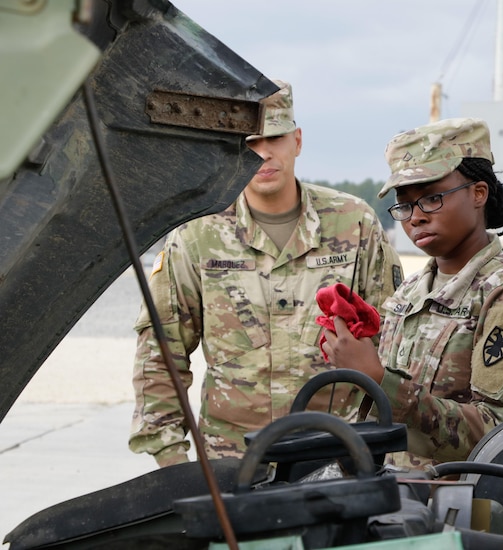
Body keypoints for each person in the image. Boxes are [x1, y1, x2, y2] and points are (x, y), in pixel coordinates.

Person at [129, 80, 403, 467]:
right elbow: (161, 350)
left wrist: (383, 444)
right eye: (249, 142)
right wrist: (171, 458)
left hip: (338, 453)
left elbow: (394, 338)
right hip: (232, 458)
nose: (263, 153)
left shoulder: (353, 222)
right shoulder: (198, 233)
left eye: (274, 138)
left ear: (297, 140)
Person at [321, 117, 503, 469]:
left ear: (478, 193)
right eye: (404, 205)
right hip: (398, 495)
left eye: (432, 198)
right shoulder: (412, 290)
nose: (415, 218)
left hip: (461, 506)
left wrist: (378, 378)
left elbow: (499, 433)